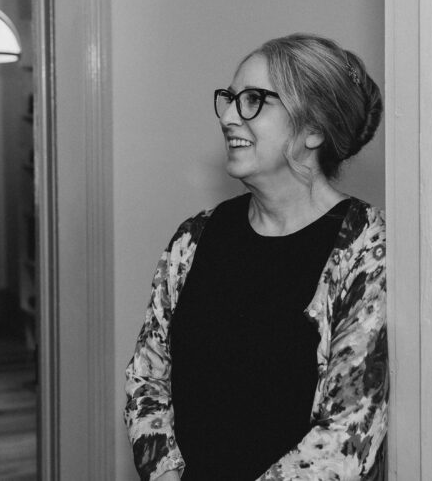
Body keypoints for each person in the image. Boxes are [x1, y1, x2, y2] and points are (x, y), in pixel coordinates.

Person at [124, 34, 388, 481]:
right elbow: (146, 380)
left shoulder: (365, 246)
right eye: (229, 99)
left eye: (253, 101)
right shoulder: (194, 238)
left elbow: (347, 434)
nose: (228, 116)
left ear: (314, 128)